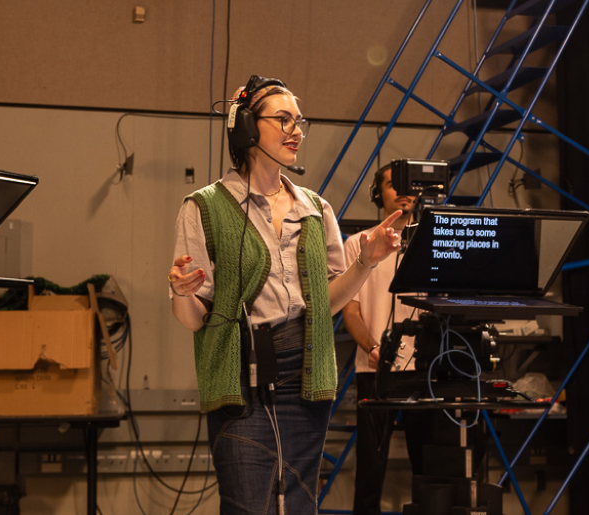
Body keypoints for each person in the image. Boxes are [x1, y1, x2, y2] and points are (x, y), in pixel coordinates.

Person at [167, 75, 403, 515]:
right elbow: (194, 318)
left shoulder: (315, 209)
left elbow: (327, 303)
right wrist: (182, 292)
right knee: (247, 505)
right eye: (283, 119)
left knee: (299, 503)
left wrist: (365, 262)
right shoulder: (204, 207)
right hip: (241, 371)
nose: (296, 130)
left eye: (299, 121)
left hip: (306, 372)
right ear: (246, 129)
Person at [342, 163, 430, 515]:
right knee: (370, 470)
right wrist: (372, 348)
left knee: (427, 469)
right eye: (394, 185)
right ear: (380, 194)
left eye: (409, 185)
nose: (403, 191)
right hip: (374, 369)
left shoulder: (431, 243)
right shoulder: (356, 245)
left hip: (424, 370)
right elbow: (350, 311)